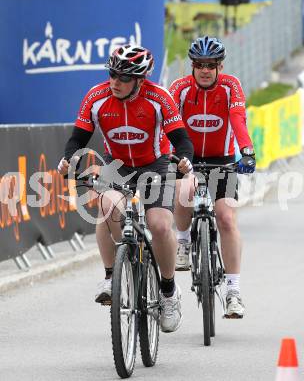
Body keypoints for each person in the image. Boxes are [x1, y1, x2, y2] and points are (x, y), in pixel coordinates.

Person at [57, 44, 194, 332]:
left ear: (140, 80)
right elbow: (77, 139)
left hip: (155, 165)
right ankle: (114, 273)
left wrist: (185, 160)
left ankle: (168, 292)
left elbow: (182, 140)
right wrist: (68, 160)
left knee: (158, 225)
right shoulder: (96, 97)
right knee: (107, 206)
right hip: (117, 165)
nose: (115, 82)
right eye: (112, 75)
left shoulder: (159, 97)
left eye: (123, 78)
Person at [169, 36, 255, 318]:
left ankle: (233, 291)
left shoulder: (231, 86)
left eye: (211, 65)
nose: (205, 70)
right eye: (199, 65)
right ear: (192, 65)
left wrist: (247, 151)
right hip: (187, 159)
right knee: (184, 189)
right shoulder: (179, 88)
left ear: (220, 65)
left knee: (227, 219)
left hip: (223, 160)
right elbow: (168, 125)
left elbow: (237, 119)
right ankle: (182, 241)